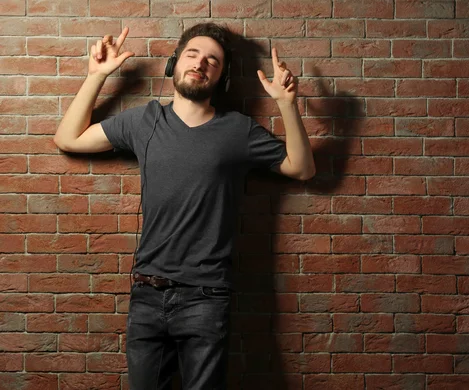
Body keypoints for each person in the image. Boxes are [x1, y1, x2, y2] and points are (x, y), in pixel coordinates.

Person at [53, 23, 315, 390]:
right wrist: (97, 76)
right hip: (147, 291)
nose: (201, 63)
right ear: (174, 63)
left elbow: (302, 168)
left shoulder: (238, 130)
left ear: (222, 77)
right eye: (192, 54)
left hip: (206, 297)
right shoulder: (144, 121)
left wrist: (287, 104)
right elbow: (68, 138)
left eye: (213, 60)